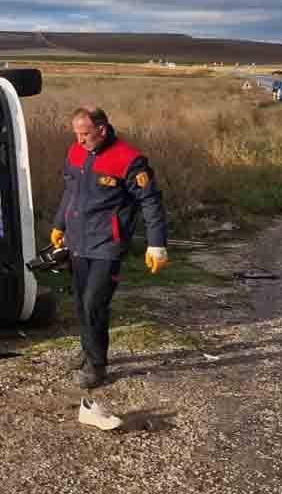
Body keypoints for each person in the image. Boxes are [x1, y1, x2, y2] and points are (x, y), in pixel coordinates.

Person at [51, 107, 168, 389]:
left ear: (102, 130)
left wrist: (156, 244)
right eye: (76, 133)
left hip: (107, 243)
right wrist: (59, 225)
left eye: (85, 134)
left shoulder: (129, 160)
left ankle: (97, 366)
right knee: (81, 301)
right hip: (78, 240)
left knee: (94, 302)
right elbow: (70, 191)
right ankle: (87, 348)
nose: (79, 140)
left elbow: (150, 201)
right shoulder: (76, 152)